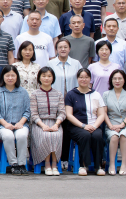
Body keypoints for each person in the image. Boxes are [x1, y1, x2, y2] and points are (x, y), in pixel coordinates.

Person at [64, 68, 106, 176]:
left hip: (94, 125)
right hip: (76, 126)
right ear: (77, 78)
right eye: (81, 77)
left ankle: (98, 166)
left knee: (97, 136)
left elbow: (102, 114)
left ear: (90, 79)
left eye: (86, 77)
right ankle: (83, 165)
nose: (84, 79)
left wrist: (94, 126)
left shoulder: (96, 94)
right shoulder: (71, 94)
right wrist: (83, 126)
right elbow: (69, 115)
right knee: (85, 135)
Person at [47, 38, 81, 167]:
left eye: (65, 47)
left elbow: (80, 80)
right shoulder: (50, 63)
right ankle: (55, 158)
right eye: (60, 47)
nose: (63, 49)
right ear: (56, 49)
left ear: (69, 49)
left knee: (67, 131)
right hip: (55, 102)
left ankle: (65, 158)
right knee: (57, 130)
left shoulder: (76, 63)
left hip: (72, 102)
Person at [0, 65, 31, 175]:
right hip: (2, 126)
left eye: (13, 75)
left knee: (21, 135)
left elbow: (27, 111)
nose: (10, 78)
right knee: (8, 135)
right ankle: (14, 164)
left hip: (20, 124)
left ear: (17, 77)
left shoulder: (23, 92)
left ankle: (22, 164)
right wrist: (5, 124)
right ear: (3, 77)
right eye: (7, 75)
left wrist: (21, 123)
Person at [29, 66, 66, 176]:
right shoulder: (34, 94)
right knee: (46, 135)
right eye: (44, 76)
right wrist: (42, 125)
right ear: (39, 78)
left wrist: (56, 124)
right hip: (39, 124)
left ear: (53, 78)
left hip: (55, 123)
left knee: (56, 135)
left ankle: (54, 164)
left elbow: (62, 112)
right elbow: (33, 114)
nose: (46, 78)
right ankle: (47, 164)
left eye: (49, 76)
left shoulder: (58, 94)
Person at [102, 69, 126, 175]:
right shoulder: (106, 94)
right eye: (115, 78)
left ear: (124, 80)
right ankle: (112, 164)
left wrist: (122, 125)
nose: (117, 81)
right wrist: (110, 126)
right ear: (111, 80)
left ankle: (124, 164)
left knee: (124, 135)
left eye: (120, 78)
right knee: (114, 136)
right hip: (111, 124)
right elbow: (104, 113)